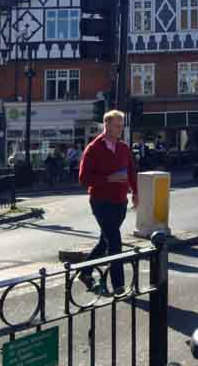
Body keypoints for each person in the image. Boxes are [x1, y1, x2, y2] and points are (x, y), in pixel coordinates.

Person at [79, 110, 138, 294]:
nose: (120, 129)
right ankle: (119, 286)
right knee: (114, 241)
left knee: (105, 241)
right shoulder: (94, 148)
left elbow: (131, 171)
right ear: (107, 125)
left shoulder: (123, 148)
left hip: (120, 201)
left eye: (122, 126)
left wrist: (136, 192)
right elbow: (83, 178)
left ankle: (85, 271)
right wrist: (107, 179)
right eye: (117, 126)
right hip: (101, 201)